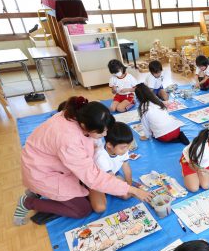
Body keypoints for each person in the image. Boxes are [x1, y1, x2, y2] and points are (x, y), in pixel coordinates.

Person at [13, 96, 153, 225]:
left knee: (95, 194)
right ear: (85, 127)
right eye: (101, 132)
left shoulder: (81, 115)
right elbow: (93, 177)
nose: (105, 135)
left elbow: (91, 160)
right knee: (82, 210)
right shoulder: (69, 140)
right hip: (41, 170)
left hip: (52, 162)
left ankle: (38, 191)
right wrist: (132, 189)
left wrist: (127, 187)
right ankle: (28, 202)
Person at [90, 122, 134, 213]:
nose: (127, 150)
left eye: (128, 146)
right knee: (100, 208)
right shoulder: (101, 156)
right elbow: (111, 180)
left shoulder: (122, 149)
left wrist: (129, 186)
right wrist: (131, 190)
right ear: (109, 145)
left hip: (111, 175)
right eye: (124, 147)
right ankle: (89, 191)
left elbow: (127, 169)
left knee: (126, 194)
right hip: (98, 179)